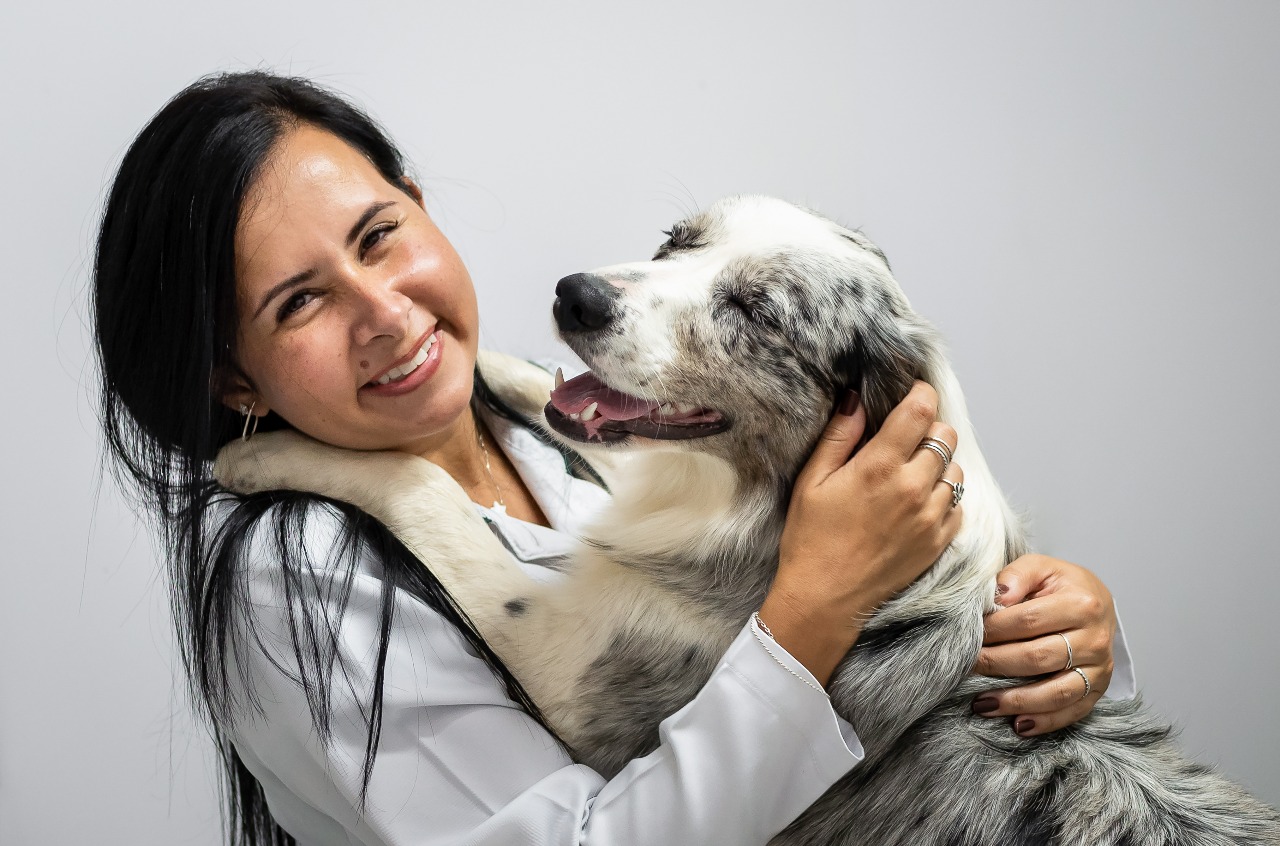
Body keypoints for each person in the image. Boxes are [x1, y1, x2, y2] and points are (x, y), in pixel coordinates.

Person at [93, 71, 1132, 846]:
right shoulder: (297, 577)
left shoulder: (582, 432)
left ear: (419, 203)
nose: (387, 315)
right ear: (235, 380)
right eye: (300, 302)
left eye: (377, 237)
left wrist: (1054, 636)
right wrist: (811, 610)